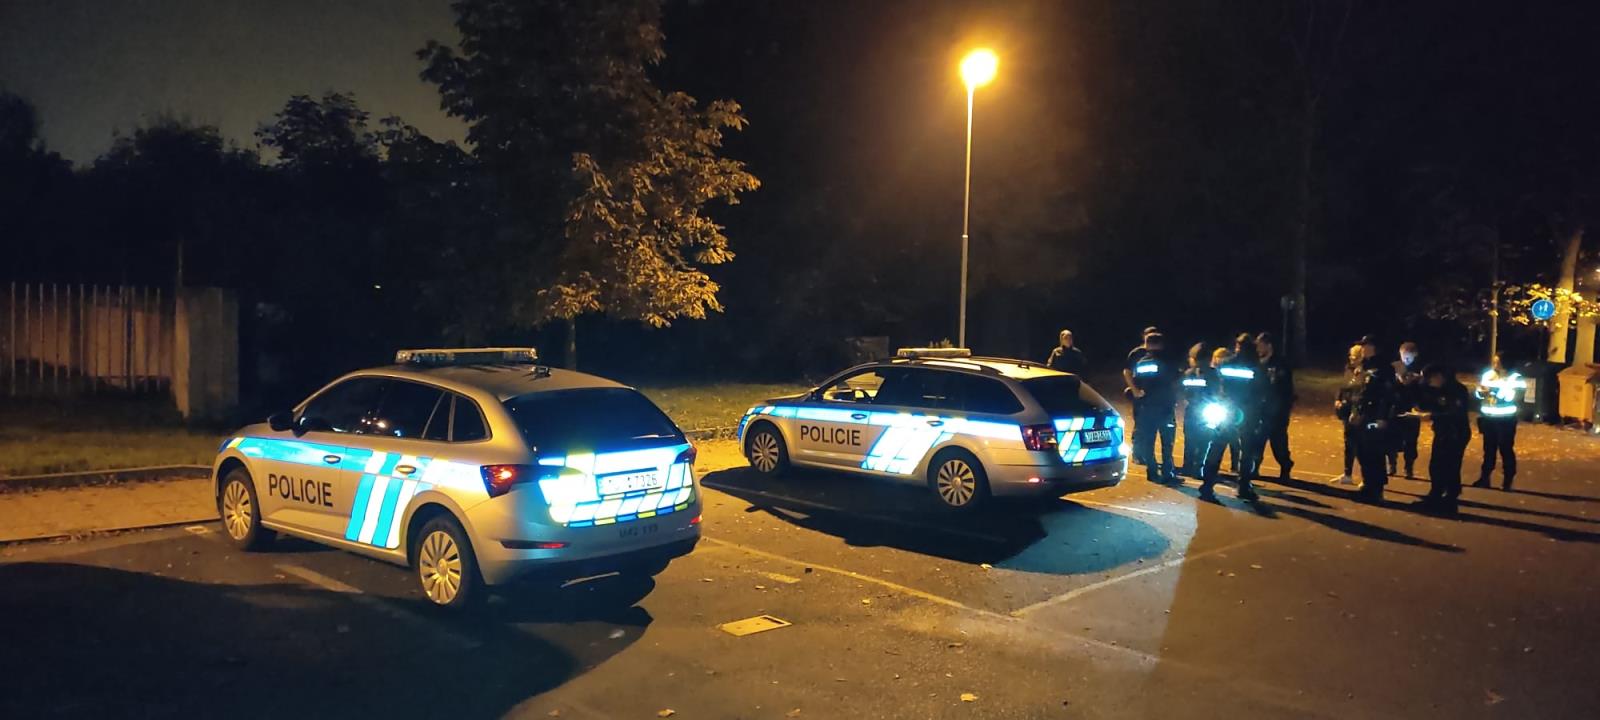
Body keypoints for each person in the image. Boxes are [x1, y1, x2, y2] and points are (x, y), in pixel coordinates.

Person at [1199, 348, 1259, 501]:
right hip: (1246, 413)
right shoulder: (1254, 366)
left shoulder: (1225, 365)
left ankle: (1207, 485)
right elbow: (1260, 391)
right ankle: (1244, 487)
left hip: (1226, 411)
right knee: (1246, 452)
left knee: (1217, 448)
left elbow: (1215, 386)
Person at [1414, 364, 1471, 513]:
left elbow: (1455, 413)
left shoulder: (1457, 390)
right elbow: (1428, 402)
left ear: (1439, 376)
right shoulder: (1438, 389)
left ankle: (1450, 498)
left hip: (1455, 432)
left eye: (1430, 379)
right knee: (1436, 465)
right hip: (1442, 431)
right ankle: (1436, 494)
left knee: (1450, 466)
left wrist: (1431, 416)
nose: (1429, 383)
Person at [1346, 336, 1395, 502]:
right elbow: (1358, 392)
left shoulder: (1384, 368)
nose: (1362, 349)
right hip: (1362, 413)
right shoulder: (1363, 366)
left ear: (1374, 347)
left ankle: (1377, 488)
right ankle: (1367, 485)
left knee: (1374, 451)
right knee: (1362, 450)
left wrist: (1383, 417)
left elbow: (1387, 395)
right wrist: (1354, 410)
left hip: (1375, 414)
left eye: (1365, 346)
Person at [1129, 332, 1179, 482]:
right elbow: (1176, 380)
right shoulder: (1169, 362)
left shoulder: (1141, 363)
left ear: (1147, 345)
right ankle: (1168, 472)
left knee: (1148, 442)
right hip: (1166, 407)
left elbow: (1136, 383)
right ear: (1161, 345)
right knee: (1167, 443)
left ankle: (1152, 472)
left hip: (1147, 407)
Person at [1473, 354, 1523, 490]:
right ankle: (1485, 477)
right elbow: (1479, 393)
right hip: (1488, 417)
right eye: (1494, 362)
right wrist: (1480, 392)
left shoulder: (1515, 378)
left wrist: (1495, 391)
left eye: (1498, 362)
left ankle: (1508, 479)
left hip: (1506, 418)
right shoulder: (1488, 375)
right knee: (1488, 449)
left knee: (1505, 448)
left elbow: (1514, 397)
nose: (1495, 364)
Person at [1254, 332, 1295, 480]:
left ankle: (1285, 466)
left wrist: (1282, 409)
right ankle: (1254, 468)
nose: (1258, 349)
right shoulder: (1256, 363)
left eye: (1261, 345)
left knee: (1278, 443)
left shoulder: (1280, 364)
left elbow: (1285, 389)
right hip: (1260, 410)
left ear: (1269, 346)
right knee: (1257, 442)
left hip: (1277, 412)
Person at [1389, 341, 1423, 478]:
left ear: (1415, 355)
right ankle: (1392, 464)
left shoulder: (1420, 368)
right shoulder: (1394, 367)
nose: (1406, 359)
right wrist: (1397, 380)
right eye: (1404, 356)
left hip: (1412, 407)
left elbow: (1423, 388)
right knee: (1391, 437)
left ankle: (1409, 467)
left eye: (1409, 356)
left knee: (1411, 439)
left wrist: (1417, 379)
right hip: (1395, 406)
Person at [1330, 344, 1364, 487]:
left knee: (1360, 445)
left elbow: (1360, 391)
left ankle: (1366, 477)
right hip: (1347, 409)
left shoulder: (1364, 372)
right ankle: (1347, 473)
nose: (1351, 359)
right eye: (1351, 356)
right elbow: (1343, 385)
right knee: (1348, 442)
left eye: (1354, 357)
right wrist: (1338, 399)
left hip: (1358, 411)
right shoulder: (1349, 369)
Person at [1179, 342, 1213, 478]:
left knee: (1190, 440)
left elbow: (1184, 392)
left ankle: (1187, 466)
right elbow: (1218, 392)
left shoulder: (1188, 373)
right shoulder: (1213, 374)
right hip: (1208, 411)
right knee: (1204, 441)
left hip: (1192, 410)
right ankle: (1198, 468)